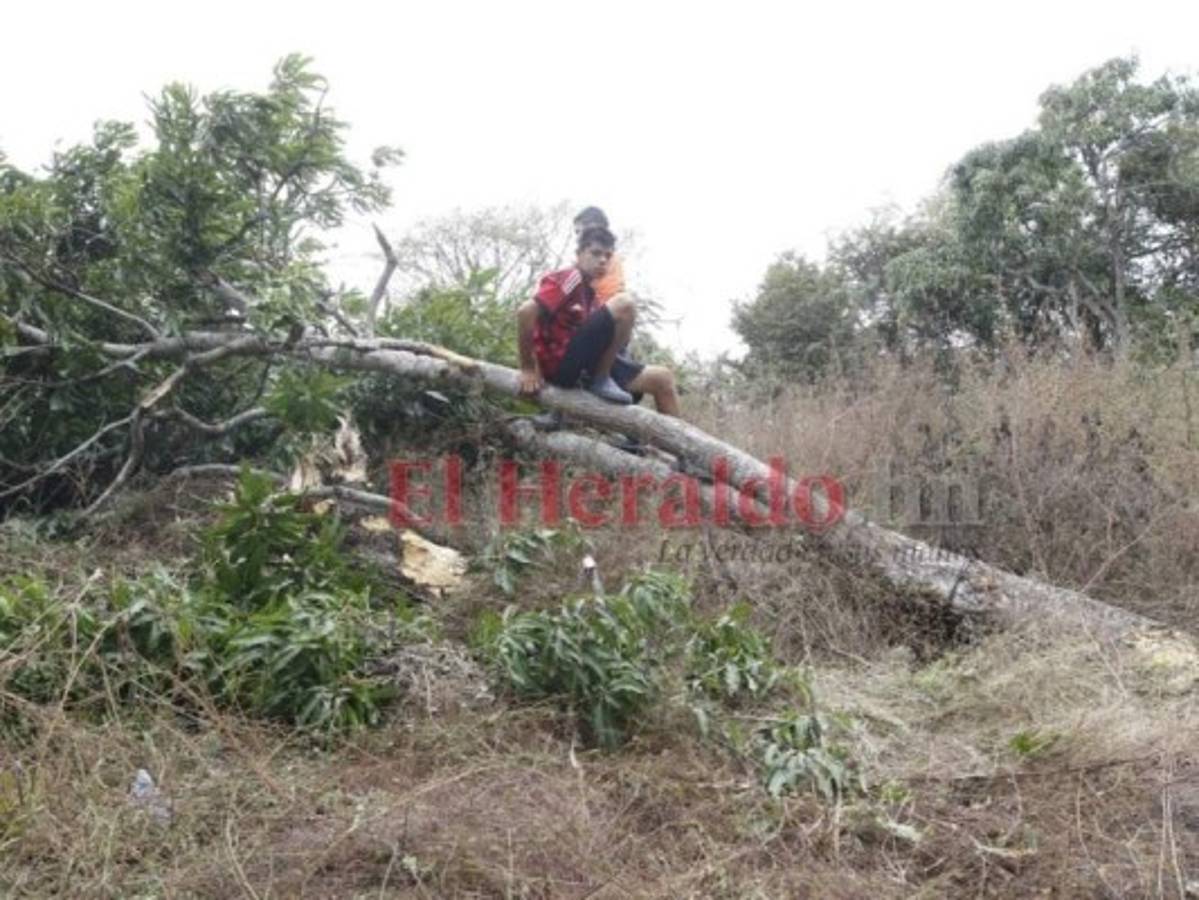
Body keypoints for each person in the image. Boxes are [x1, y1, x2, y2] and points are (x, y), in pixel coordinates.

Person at [517, 225, 679, 415]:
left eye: (608, 256)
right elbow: (525, 312)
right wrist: (528, 368)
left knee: (662, 379)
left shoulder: (590, 294)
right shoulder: (571, 277)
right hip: (563, 368)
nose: (602, 260)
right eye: (595, 253)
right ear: (579, 254)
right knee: (625, 304)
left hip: (584, 365)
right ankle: (600, 378)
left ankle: (654, 444)